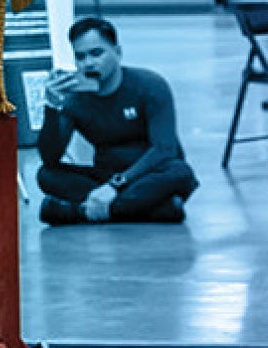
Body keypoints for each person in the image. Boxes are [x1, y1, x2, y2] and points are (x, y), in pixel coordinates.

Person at [36, 17, 200, 225]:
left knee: (180, 172)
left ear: (118, 52)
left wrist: (116, 186)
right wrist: (52, 107)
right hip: (105, 176)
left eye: (97, 53)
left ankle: (80, 213)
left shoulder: (150, 86)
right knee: (47, 175)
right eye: (80, 57)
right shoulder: (75, 99)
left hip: (150, 173)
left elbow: (165, 149)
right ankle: (155, 211)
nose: (88, 63)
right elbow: (50, 158)